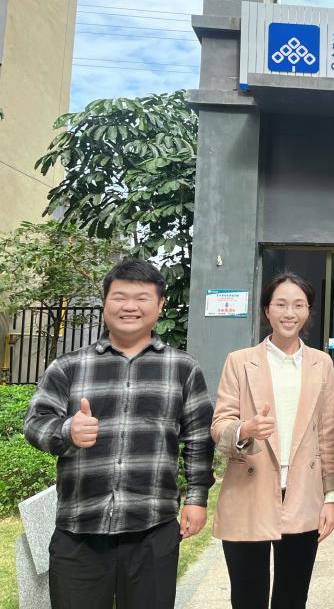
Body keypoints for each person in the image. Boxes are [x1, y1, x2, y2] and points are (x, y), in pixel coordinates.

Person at [23, 259, 214, 609]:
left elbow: (199, 438)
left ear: (160, 305)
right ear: (105, 302)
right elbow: (35, 423)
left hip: (152, 529)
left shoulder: (182, 368)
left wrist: (196, 498)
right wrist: (67, 431)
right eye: (120, 297)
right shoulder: (69, 366)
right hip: (79, 529)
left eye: (142, 298)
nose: (130, 306)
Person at [210, 272, 334, 609]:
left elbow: (328, 435)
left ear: (308, 311)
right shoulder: (239, 361)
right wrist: (246, 429)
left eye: (299, 305)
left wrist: (331, 498)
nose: (290, 313)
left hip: (303, 495)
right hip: (249, 492)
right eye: (281, 304)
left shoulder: (322, 364)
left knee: (292, 596)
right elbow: (219, 426)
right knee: (248, 597)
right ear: (267, 310)